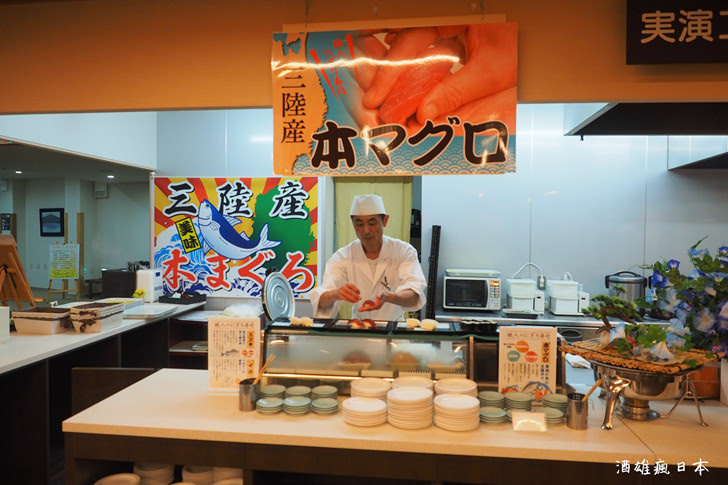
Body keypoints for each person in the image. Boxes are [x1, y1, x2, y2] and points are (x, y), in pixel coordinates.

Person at [309, 194, 427, 321]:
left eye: (372, 223)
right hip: (359, 327)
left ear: (385, 221)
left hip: (393, 326)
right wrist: (336, 294)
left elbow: (414, 295)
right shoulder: (343, 256)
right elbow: (322, 302)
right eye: (359, 224)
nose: (366, 230)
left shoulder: (403, 251)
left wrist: (389, 297)